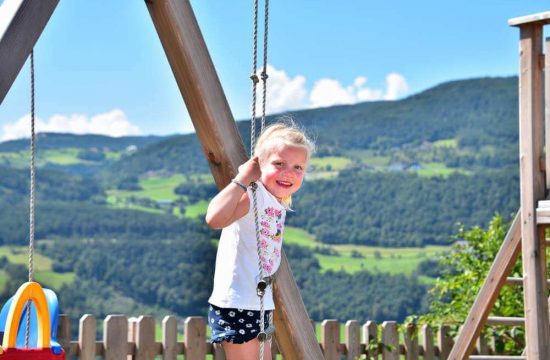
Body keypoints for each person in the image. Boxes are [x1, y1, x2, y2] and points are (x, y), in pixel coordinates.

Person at [205, 121, 314, 359]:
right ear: (259, 164)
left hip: (258, 303)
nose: (289, 173)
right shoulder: (253, 195)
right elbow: (214, 218)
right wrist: (242, 179)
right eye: (279, 164)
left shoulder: (276, 203)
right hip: (236, 302)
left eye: (298, 167)